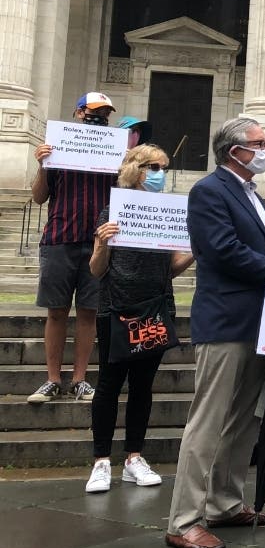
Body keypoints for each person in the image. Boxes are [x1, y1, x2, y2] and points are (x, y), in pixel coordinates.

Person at [165, 118, 265, 548]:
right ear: (234, 150)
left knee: (243, 419)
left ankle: (225, 503)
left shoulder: (252, 194)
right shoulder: (209, 191)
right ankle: (184, 520)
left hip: (261, 322)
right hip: (226, 321)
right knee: (208, 421)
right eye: (260, 143)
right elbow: (222, 250)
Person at [85, 144, 193, 494]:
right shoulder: (111, 211)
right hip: (116, 309)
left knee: (143, 386)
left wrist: (194, 251)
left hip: (155, 308)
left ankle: (134, 457)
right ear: (135, 169)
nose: (161, 173)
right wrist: (103, 244)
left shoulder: (165, 214)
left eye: (164, 167)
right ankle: (101, 460)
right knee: (109, 384)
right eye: (154, 167)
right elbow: (97, 270)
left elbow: (171, 269)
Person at [28, 92, 119, 405]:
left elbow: (125, 193)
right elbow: (39, 197)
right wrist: (43, 165)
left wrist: (128, 166)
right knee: (56, 311)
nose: (99, 117)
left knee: (89, 312)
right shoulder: (58, 147)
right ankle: (53, 379)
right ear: (79, 112)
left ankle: (80, 379)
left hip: (98, 242)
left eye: (105, 113)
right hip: (60, 237)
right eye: (94, 111)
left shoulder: (112, 152)